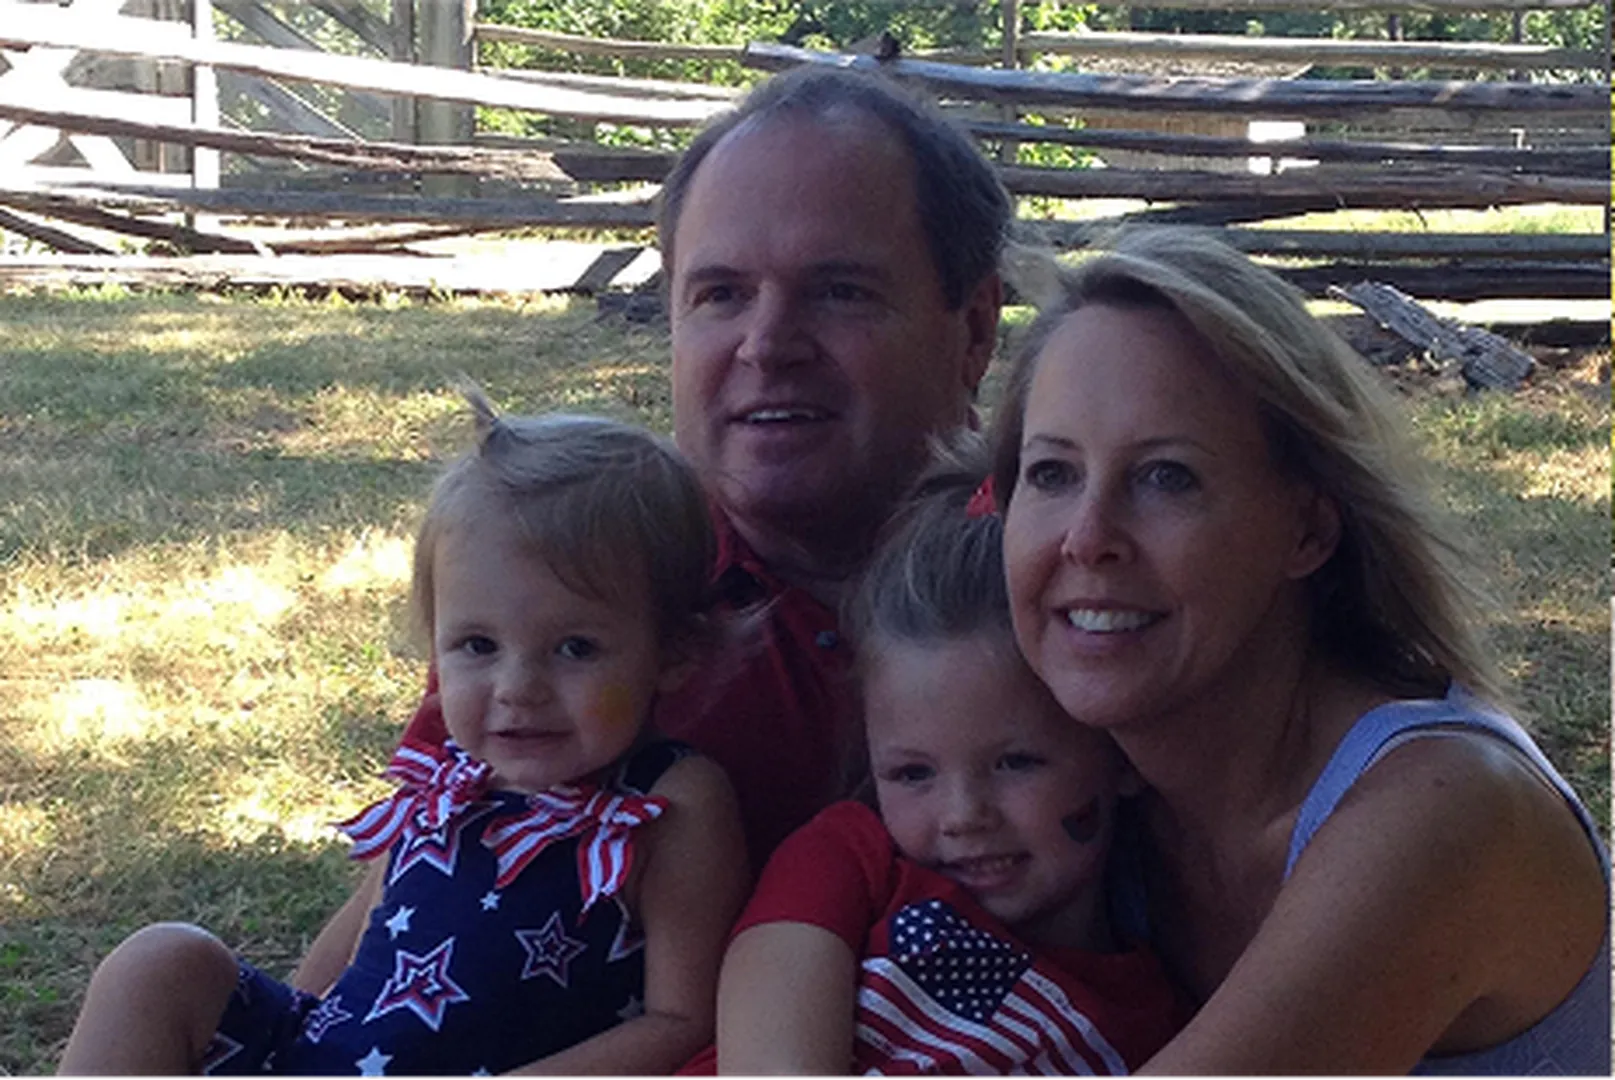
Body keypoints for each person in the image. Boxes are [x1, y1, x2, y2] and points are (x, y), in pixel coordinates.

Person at [990, 227, 1609, 1077]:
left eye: (1166, 476)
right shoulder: (1080, 795)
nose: (1087, 538)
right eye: (1051, 474)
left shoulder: (1443, 813)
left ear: (1308, 527)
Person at [384, 63, 1010, 883]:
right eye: (720, 295)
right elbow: (405, 916)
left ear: (972, 330)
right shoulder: (573, 569)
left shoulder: (1060, 583)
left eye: (840, 291)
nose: (766, 345)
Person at [57, 399, 748, 1080]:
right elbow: (366, 924)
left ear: (674, 652)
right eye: (478, 644)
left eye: (575, 647)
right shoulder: (451, 776)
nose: (517, 687)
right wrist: (296, 1039)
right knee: (161, 961)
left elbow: (684, 1019)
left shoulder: (667, 799)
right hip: (335, 1061)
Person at [681, 439, 1185, 1079]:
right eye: (912, 773)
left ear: (1124, 753)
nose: (963, 815)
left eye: (1016, 764)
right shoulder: (847, 861)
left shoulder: (1156, 1024)